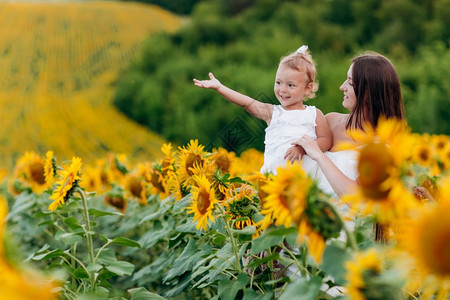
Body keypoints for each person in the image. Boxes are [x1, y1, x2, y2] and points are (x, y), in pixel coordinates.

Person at [193, 45, 332, 175]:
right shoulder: (273, 113)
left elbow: (326, 140)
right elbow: (247, 102)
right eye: (278, 83)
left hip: (303, 182)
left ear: (307, 88)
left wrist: (303, 148)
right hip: (272, 180)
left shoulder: (313, 114)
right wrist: (220, 87)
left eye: (291, 85)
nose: (282, 89)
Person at [292, 51, 405, 198]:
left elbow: (358, 197)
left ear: (368, 92)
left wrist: (319, 155)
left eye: (350, 82)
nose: (342, 87)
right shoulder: (329, 122)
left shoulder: (384, 147)